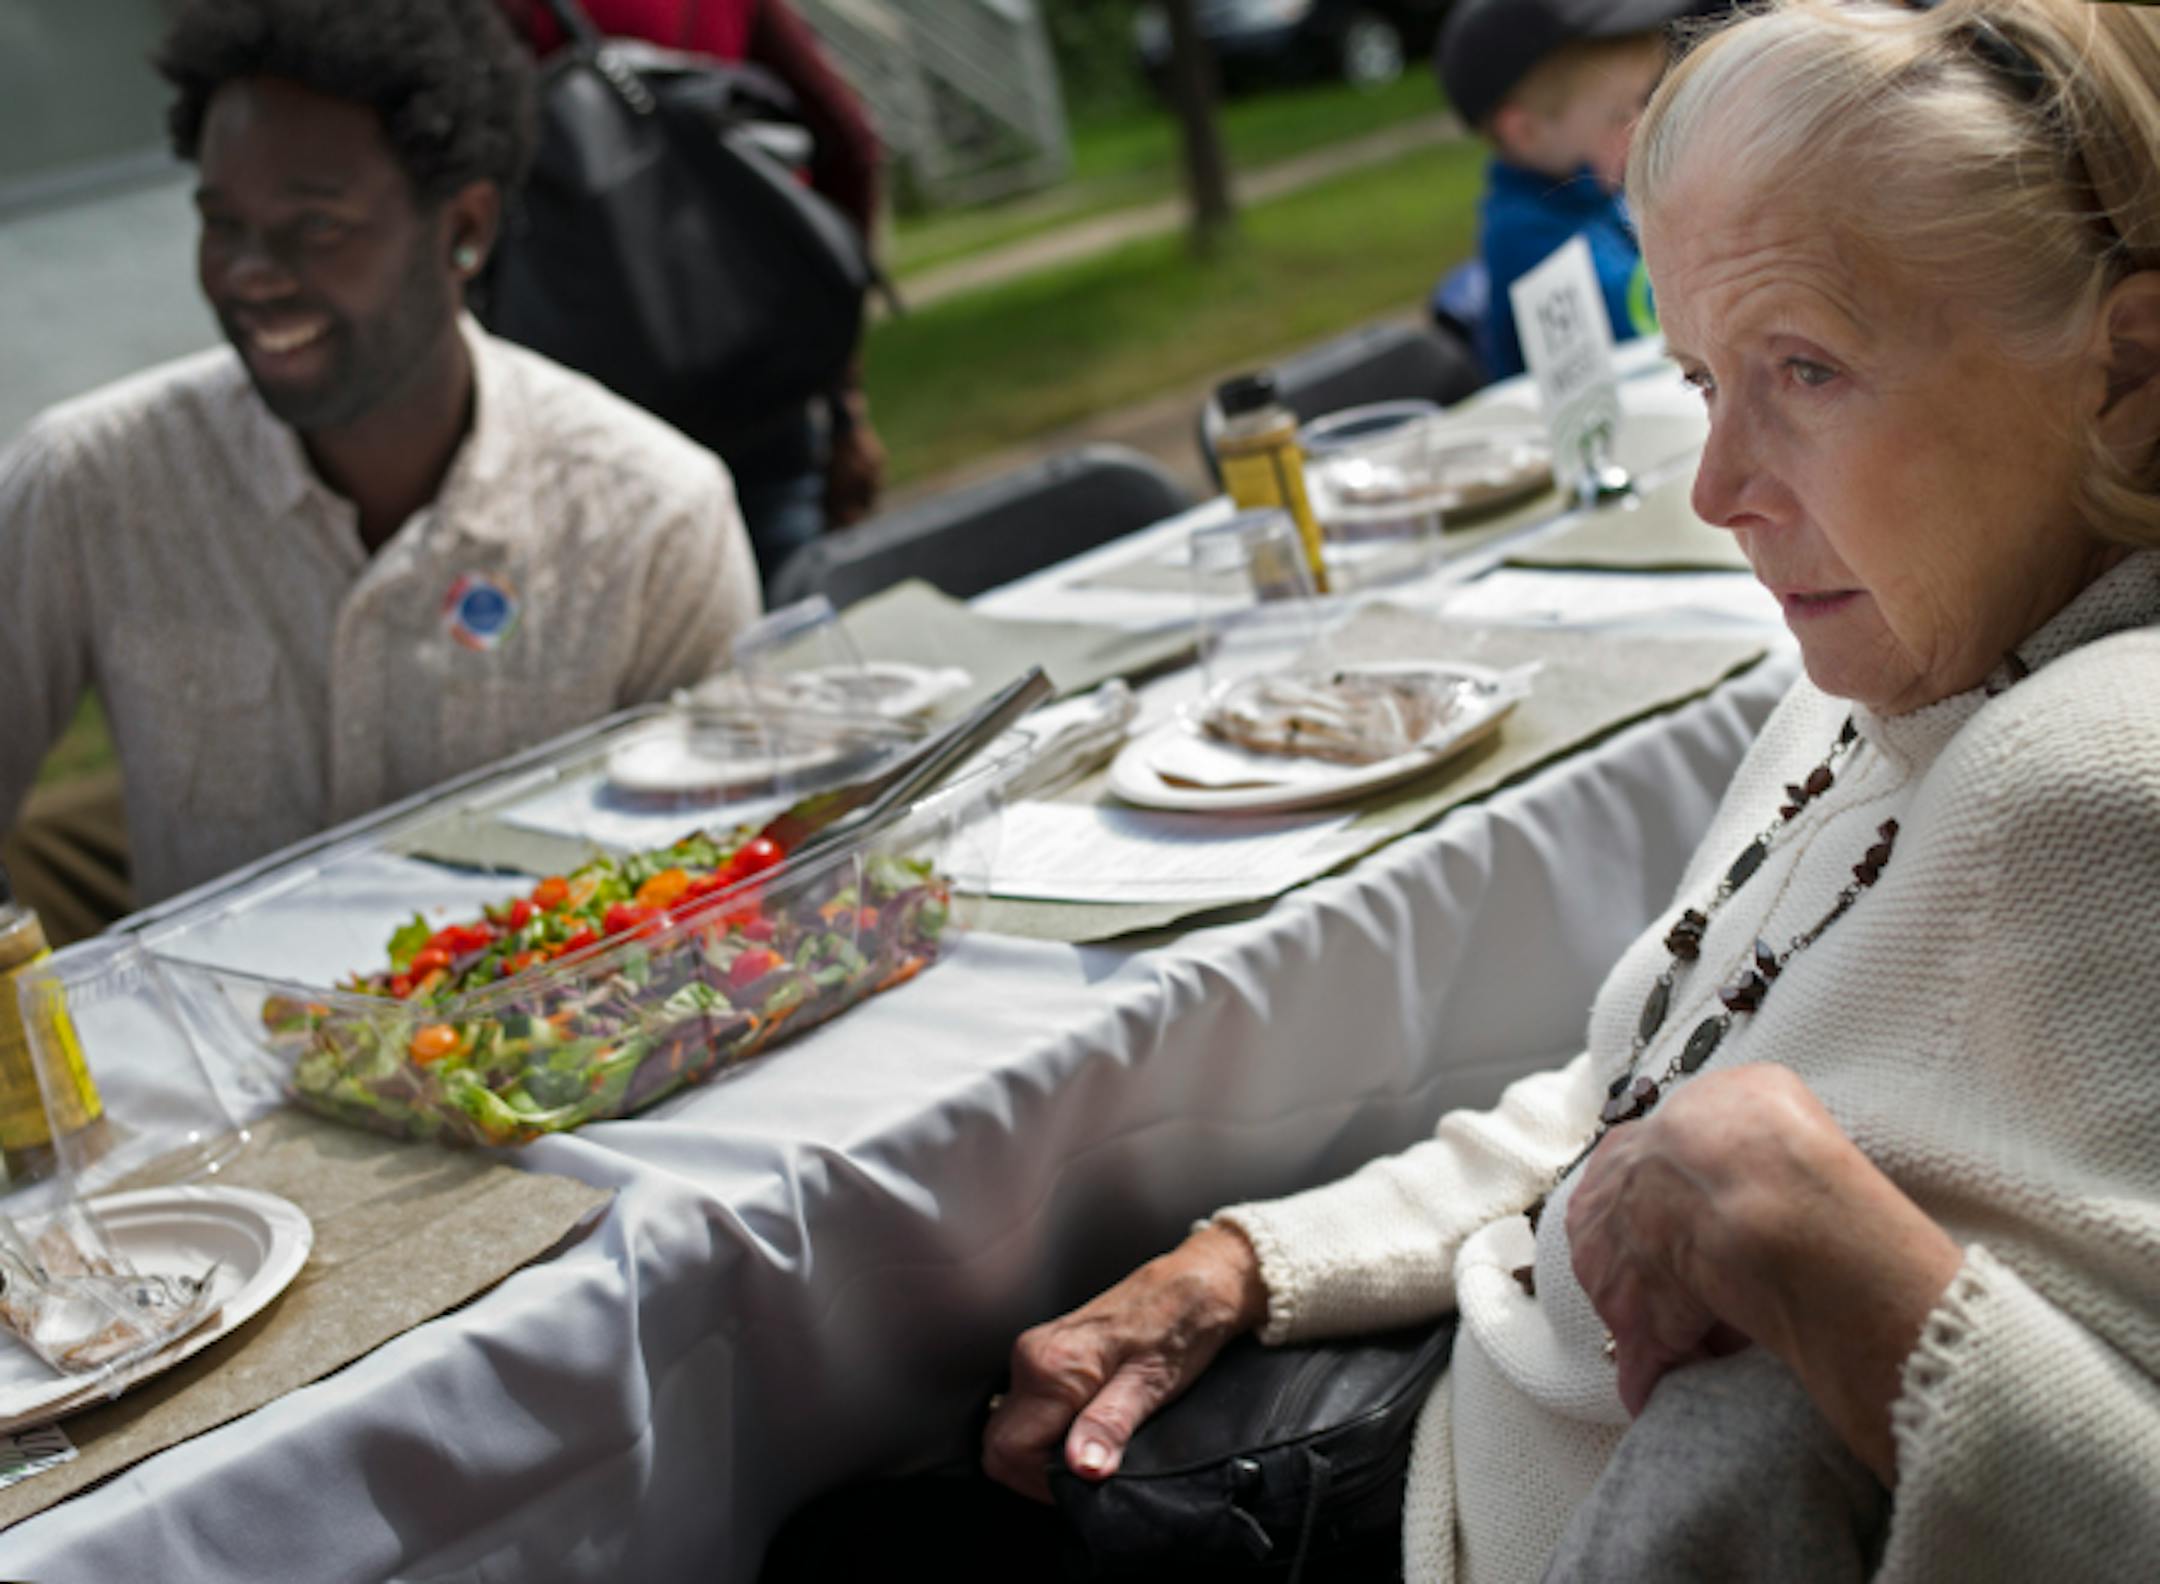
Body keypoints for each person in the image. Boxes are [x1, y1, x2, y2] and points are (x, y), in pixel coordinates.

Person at [984, 1, 2160, 1579]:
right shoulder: (1910, 662)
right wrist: (1252, 1262)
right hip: (1425, 1434)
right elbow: (1649, 1085)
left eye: (1807, 368)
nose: (1717, 489)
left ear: (2129, 368)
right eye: (1703, 379)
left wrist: (1815, 1238)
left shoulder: (2090, 778)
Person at [0, 0, 761, 924]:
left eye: (316, 226)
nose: (249, 273)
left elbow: (723, 896)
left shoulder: (652, 517)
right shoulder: (89, 485)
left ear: (464, 227)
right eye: (222, 222)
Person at [505, 0, 890, 583]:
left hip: (599, 418)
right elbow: (848, 140)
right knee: (802, 612)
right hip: (756, 368)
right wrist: (844, 396)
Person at [1436, 0, 1695, 380]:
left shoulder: (1601, 194)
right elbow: (1645, 327)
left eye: (1644, 100)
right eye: (1619, 115)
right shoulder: (1526, 236)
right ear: (1526, 132)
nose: (1643, 126)